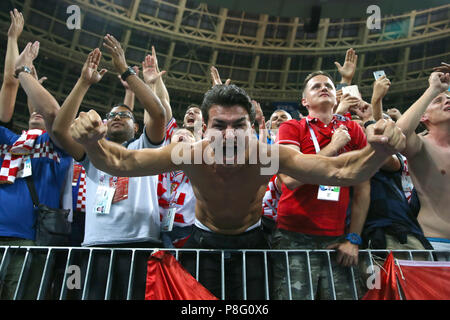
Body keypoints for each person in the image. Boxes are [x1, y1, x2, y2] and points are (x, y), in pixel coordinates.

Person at [69, 80, 405, 299]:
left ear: (252, 126)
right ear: (205, 126)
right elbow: (122, 162)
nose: (229, 135)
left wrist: (379, 149)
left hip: (254, 243)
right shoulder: (190, 154)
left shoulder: (268, 156)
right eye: (219, 126)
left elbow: (341, 170)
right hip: (202, 244)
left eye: (238, 125)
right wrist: (93, 143)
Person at [51, 35, 168, 299]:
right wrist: (83, 83)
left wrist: (125, 70)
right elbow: (59, 129)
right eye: (112, 115)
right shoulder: (93, 150)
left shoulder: (145, 148)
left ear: (135, 126)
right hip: (96, 244)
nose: (116, 118)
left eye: (124, 115)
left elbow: (159, 114)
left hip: (142, 244)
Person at [272, 70, 371, 300]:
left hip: (338, 239)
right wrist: (334, 147)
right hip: (293, 236)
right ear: (304, 101)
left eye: (327, 85)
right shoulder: (291, 128)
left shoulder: (353, 130)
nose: (324, 88)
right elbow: (291, 180)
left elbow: (363, 187)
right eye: (316, 87)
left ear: (336, 98)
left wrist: (353, 238)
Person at [0, 10, 72, 299]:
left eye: (39, 110)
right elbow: (9, 83)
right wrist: (13, 39)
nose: (37, 113)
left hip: (28, 241)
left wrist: (29, 74)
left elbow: (53, 112)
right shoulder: (9, 141)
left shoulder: (58, 145)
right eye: (33, 109)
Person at [395, 69, 450, 256]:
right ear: (424, 117)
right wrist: (433, 89)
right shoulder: (420, 145)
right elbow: (398, 133)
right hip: (435, 242)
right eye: (438, 101)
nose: (447, 101)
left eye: (448, 98)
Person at [157, 128, 197, 248]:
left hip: (187, 230)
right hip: (155, 230)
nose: (183, 135)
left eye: (189, 135)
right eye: (178, 134)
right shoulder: (157, 164)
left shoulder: (200, 167)